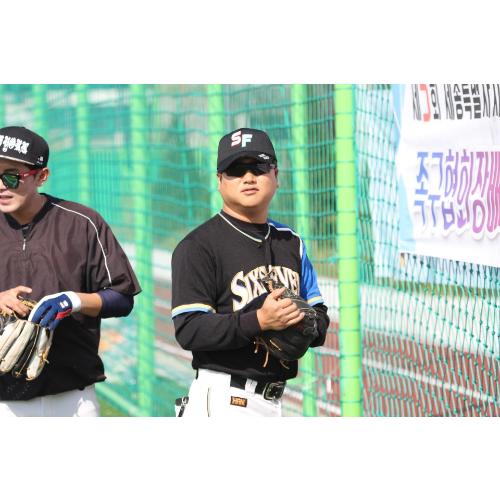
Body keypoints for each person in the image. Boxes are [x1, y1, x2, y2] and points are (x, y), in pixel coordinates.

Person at [171, 127, 329, 417]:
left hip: (274, 400)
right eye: (235, 170)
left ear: (276, 176)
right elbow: (189, 330)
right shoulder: (198, 246)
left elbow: (319, 314)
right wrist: (259, 320)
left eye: (258, 166)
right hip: (223, 399)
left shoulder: (291, 242)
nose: (248, 177)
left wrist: (305, 323)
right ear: (220, 181)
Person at [0, 125, 141, 416]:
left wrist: (73, 300)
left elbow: (122, 297)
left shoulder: (82, 223)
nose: (1, 185)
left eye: (11, 176)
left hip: (73, 399)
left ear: (42, 176)